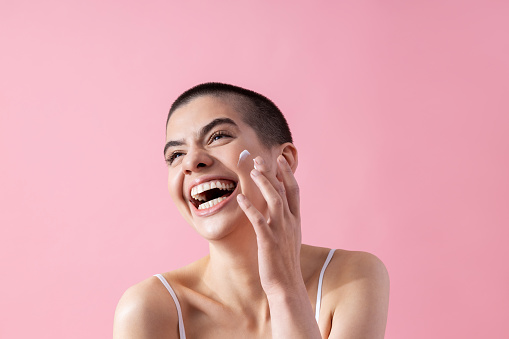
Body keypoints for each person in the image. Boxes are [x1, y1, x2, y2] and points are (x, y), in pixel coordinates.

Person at [113, 83, 390, 338]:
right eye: (175, 155)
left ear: (283, 160)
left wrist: (284, 288)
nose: (192, 162)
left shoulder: (353, 276)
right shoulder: (148, 308)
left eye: (218, 136)